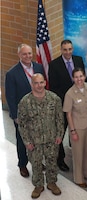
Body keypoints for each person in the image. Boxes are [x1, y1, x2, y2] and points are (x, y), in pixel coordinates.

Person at [18, 73, 64, 199]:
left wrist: (60, 135)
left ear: (45, 83)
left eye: (41, 82)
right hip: (34, 140)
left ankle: (51, 182)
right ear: (32, 84)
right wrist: (26, 141)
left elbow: (59, 119)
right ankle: (38, 185)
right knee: (36, 163)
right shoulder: (25, 102)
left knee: (51, 161)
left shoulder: (54, 99)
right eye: (36, 83)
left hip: (51, 138)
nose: (39, 86)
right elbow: (22, 124)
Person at [5, 44, 45, 178]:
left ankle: (38, 161)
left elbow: (43, 88)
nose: (27, 56)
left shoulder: (39, 67)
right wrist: (15, 116)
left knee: (38, 138)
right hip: (22, 115)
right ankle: (22, 164)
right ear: (19, 55)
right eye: (24, 54)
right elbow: (10, 96)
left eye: (29, 53)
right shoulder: (12, 73)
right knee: (22, 140)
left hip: (39, 112)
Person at [48, 39, 85, 171]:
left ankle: (77, 154)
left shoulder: (79, 60)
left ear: (72, 49)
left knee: (77, 130)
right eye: (65, 50)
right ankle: (60, 159)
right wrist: (68, 100)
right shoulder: (54, 65)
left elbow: (82, 82)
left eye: (70, 49)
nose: (68, 52)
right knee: (60, 132)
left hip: (79, 105)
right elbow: (54, 88)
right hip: (63, 105)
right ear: (61, 50)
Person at [63, 68, 87, 188]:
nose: (79, 79)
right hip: (77, 127)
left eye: (81, 76)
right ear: (73, 78)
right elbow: (68, 114)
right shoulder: (69, 93)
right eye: (76, 77)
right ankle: (79, 178)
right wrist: (72, 131)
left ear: (85, 76)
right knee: (78, 153)